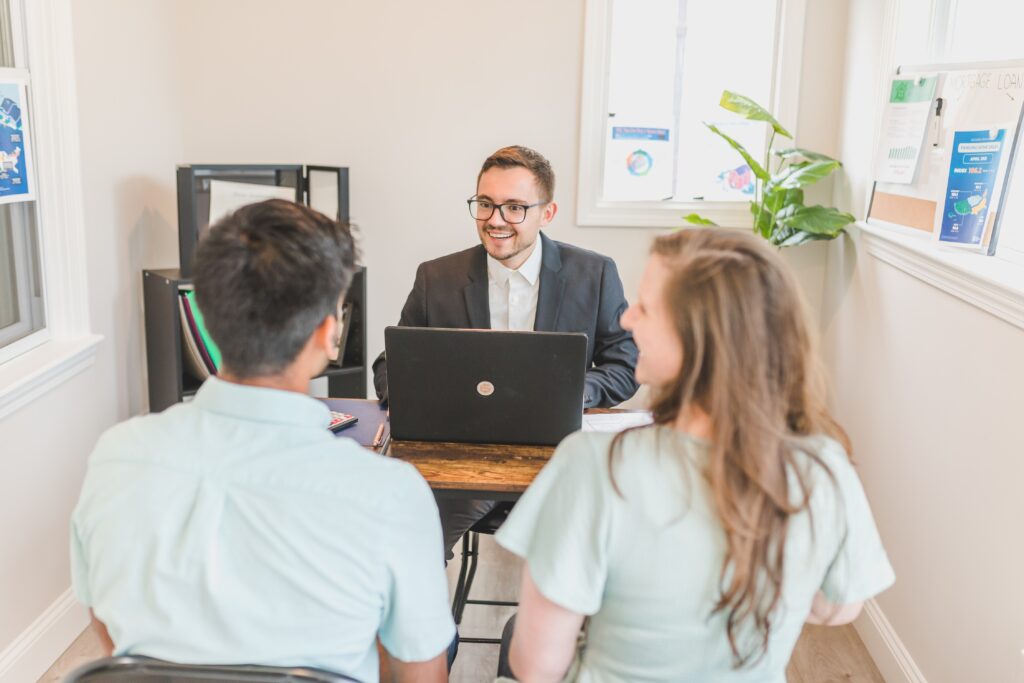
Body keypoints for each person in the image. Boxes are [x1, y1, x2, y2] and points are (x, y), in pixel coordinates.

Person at [70, 200, 454, 683]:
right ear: (327, 333)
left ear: (206, 318)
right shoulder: (392, 493)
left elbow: (109, 633)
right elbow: (420, 674)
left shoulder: (116, 456)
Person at [494, 228, 895, 682]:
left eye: (645, 307)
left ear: (697, 335)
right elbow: (836, 607)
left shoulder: (594, 465)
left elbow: (536, 667)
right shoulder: (824, 466)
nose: (627, 322)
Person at [372, 145, 639, 559]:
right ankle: (427, 625)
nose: (495, 221)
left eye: (515, 207)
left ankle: (541, 625)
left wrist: (574, 392)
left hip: (559, 462)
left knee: (591, 549)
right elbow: (391, 364)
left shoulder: (595, 273)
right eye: (485, 204)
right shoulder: (436, 277)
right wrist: (423, 399)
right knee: (402, 541)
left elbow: (625, 364)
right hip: (462, 463)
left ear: (546, 213)